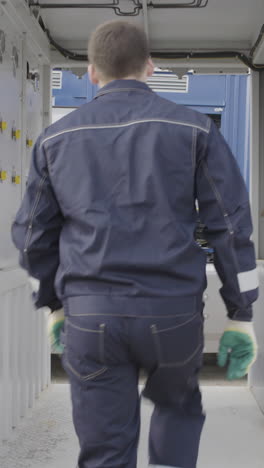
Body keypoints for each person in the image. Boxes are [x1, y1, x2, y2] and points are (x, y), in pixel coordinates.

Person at [12, 20, 258, 468]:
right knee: (178, 413)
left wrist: (54, 304)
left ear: (90, 72)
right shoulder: (196, 129)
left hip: (92, 316)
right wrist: (241, 313)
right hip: (173, 315)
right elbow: (230, 226)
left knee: (105, 451)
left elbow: (31, 238)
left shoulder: (54, 140)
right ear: (150, 66)